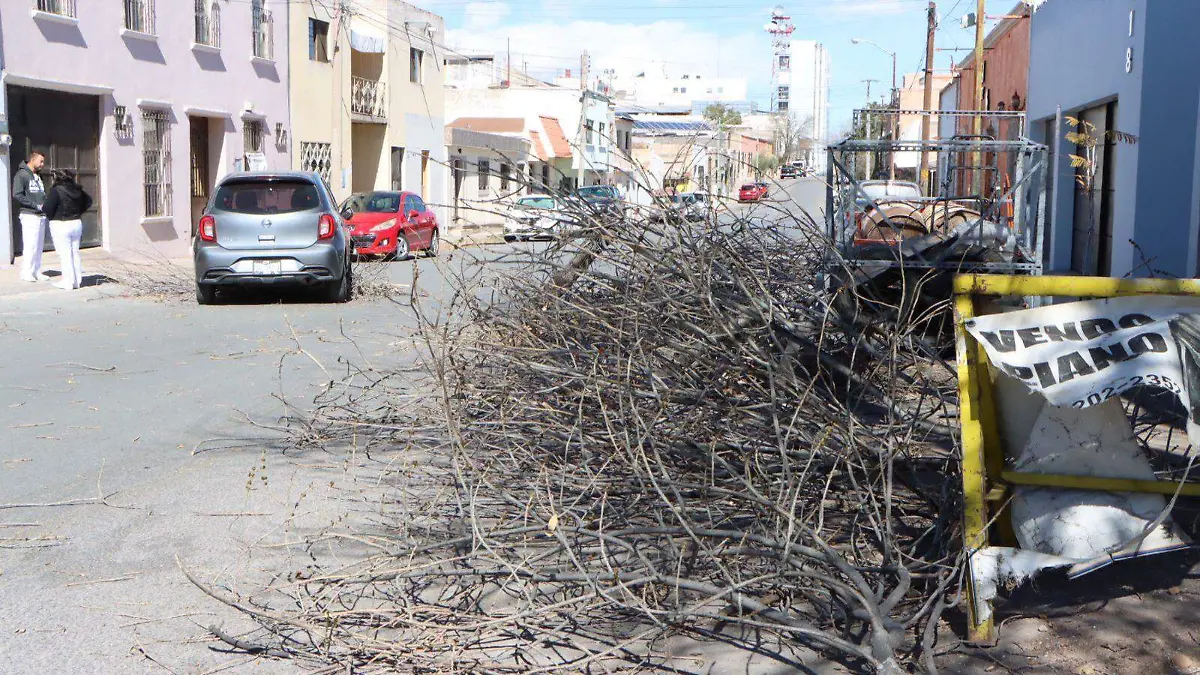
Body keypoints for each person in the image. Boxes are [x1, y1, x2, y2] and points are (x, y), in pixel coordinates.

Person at [41, 169, 91, 291]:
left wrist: (51, 215)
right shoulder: (78, 190)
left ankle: (67, 281)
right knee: (74, 253)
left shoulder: (56, 190)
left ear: (57, 178)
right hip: (76, 222)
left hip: (60, 224)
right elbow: (89, 201)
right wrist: (78, 212)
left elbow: (47, 208)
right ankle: (77, 281)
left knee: (65, 254)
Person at [12, 149, 48, 282]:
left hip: (41, 215)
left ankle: (36, 271)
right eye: (41, 161)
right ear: (33, 159)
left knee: (38, 246)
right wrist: (35, 205)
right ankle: (26, 272)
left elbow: (41, 194)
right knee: (30, 244)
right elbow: (17, 194)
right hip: (29, 214)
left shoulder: (38, 176)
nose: (42, 164)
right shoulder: (21, 175)